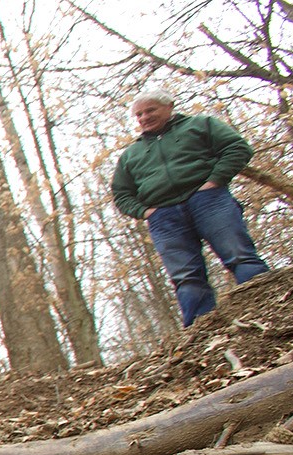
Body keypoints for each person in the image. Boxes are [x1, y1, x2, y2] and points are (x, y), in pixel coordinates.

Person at [112, 89, 270, 326]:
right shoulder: (131, 155)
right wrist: (145, 212)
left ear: (169, 106)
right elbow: (121, 194)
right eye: (139, 114)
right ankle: (203, 331)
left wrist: (214, 181)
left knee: (239, 255)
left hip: (208, 200)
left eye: (150, 110)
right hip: (163, 216)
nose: (144, 117)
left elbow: (237, 148)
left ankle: (268, 307)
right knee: (185, 278)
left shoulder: (200, 125)